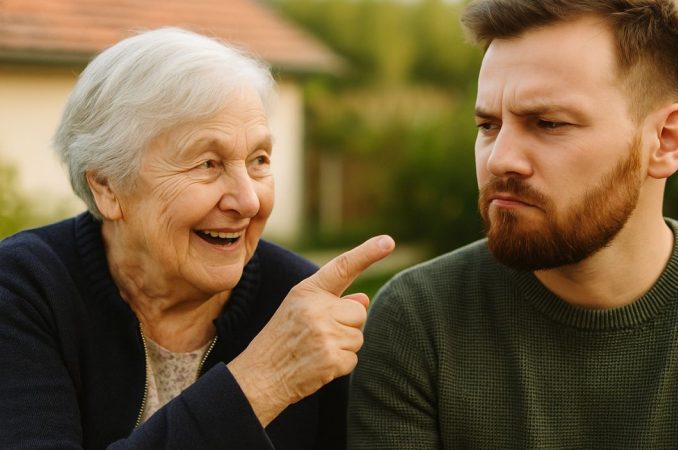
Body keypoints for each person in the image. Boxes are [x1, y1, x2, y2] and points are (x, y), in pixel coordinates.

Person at [348, 0, 678, 448]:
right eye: (488, 125)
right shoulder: (419, 323)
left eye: (548, 123)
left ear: (665, 141)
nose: (501, 158)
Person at [0, 27, 395, 449]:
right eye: (207, 163)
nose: (247, 200)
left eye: (259, 159)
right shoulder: (26, 290)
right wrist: (262, 381)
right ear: (108, 186)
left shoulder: (297, 305)